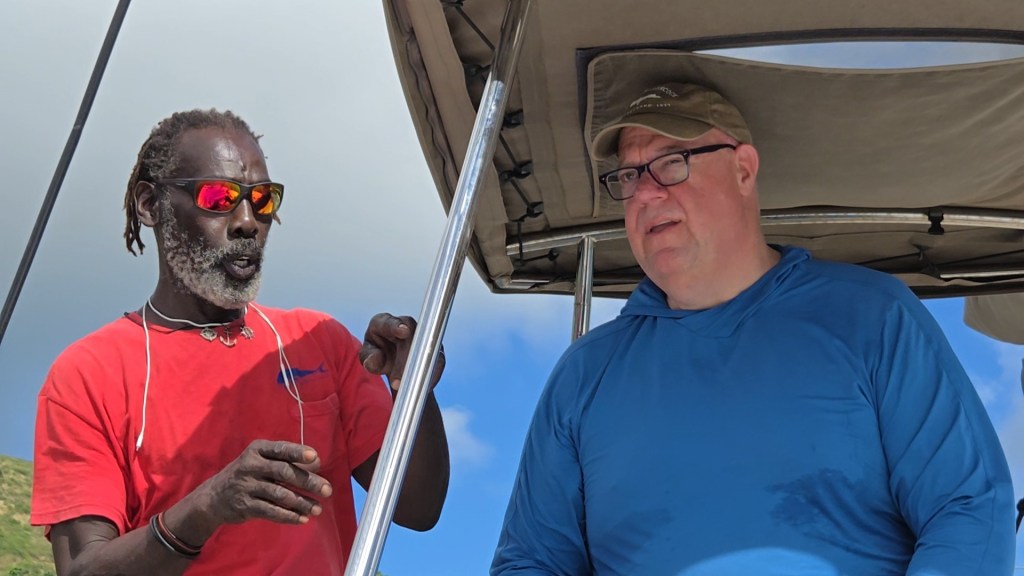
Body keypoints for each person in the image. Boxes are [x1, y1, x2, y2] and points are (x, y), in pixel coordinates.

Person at [491, 83, 1014, 575]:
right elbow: (531, 561)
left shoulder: (872, 316)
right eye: (628, 177)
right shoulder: (584, 374)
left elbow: (968, 508)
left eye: (670, 163)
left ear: (744, 170)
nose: (645, 194)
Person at [30, 109, 450, 575]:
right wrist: (207, 507)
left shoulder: (320, 341)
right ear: (150, 204)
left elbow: (418, 508)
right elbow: (82, 569)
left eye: (263, 201)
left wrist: (413, 390)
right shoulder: (88, 373)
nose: (248, 221)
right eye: (219, 197)